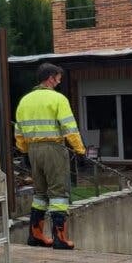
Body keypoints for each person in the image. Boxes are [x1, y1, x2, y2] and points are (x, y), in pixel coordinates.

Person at [15, 63, 84, 249]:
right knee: (58, 193)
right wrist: (80, 150)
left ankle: (35, 235)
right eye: (58, 78)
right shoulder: (58, 99)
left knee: (40, 193)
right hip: (53, 148)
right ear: (51, 78)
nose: (59, 81)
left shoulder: (25, 101)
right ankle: (60, 238)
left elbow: (18, 131)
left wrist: (24, 150)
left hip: (32, 150)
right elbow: (70, 127)